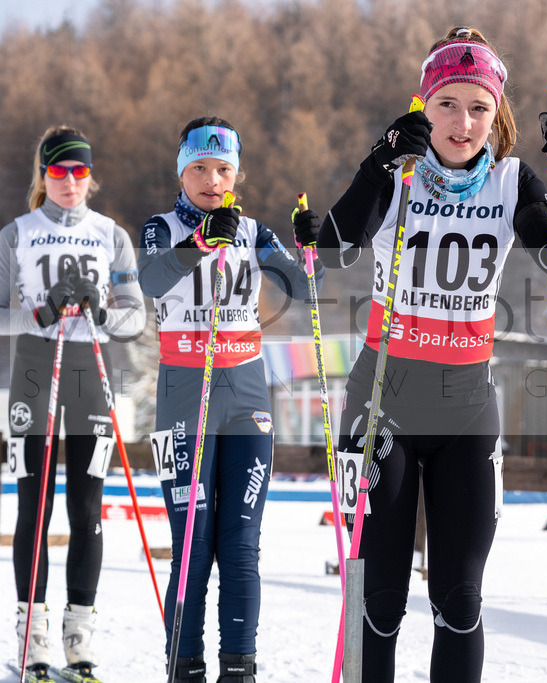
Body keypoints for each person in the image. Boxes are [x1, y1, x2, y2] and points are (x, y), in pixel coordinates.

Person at [316, 25, 547, 683]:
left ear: (497, 115)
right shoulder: (399, 174)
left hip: (468, 405)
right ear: (423, 104)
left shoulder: (509, 181)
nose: (462, 122)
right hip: (386, 396)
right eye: (447, 104)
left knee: (459, 599)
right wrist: (376, 160)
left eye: (479, 108)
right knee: (380, 598)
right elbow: (331, 245)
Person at [138, 116, 322, 682]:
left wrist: (307, 246)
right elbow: (149, 280)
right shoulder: (161, 227)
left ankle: (239, 669)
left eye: (223, 169)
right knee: (192, 546)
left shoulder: (252, 232)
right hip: (183, 395)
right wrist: (197, 244)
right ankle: (185, 667)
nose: (212, 180)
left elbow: (300, 285)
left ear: (236, 173)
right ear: (181, 171)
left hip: (245, 392)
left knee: (241, 545)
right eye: (199, 168)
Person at [0, 126, 145, 679]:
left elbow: (134, 319)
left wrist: (102, 313)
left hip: (90, 371)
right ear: (43, 175)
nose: (68, 181)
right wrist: (37, 314)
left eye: (78, 171)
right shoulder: (17, 234)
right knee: (32, 509)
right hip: (34, 372)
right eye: (58, 172)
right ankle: (30, 635)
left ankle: (79, 635)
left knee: (87, 511)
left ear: (91, 175)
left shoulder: (112, 235)